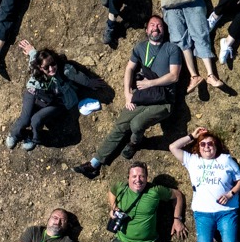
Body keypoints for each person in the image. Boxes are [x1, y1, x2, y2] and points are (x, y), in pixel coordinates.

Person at [71, 16, 183, 178]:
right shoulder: (140, 47)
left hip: (164, 101)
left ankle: (134, 143)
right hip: (143, 97)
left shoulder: (171, 49)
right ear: (147, 30)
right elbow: (129, 69)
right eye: (152, 25)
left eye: (159, 26)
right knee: (121, 125)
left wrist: (150, 83)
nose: (155, 28)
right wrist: (127, 94)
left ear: (164, 30)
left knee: (136, 124)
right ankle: (94, 164)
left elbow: (174, 76)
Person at [170, 127, 240, 242]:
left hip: (227, 212)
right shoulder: (192, 160)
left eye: (210, 143)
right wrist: (192, 135)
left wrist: (231, 194)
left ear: (216, 146)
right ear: (198, 147)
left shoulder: (225, 159)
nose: (206, 147)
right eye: (202, 144)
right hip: (203, 212)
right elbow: (173, 147)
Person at [5, 43, 84, 151]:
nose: (51, 69)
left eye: (52, 63)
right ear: (40, 68)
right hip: (34, 94)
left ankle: (33, 138)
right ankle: (14, 135)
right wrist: (32, 51)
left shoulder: (62, 71)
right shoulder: (35, 69)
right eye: (46, 67)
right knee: (25, 119)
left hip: (54, 102)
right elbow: (34, 58)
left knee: (36, 120)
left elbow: (78, 77)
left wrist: (91, 83)